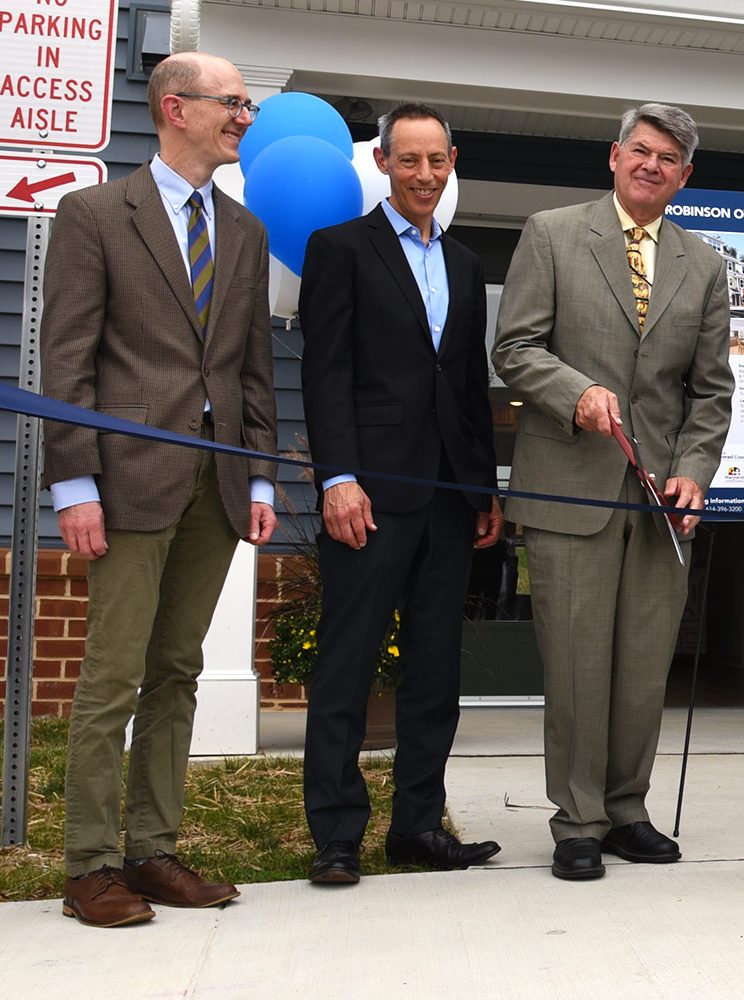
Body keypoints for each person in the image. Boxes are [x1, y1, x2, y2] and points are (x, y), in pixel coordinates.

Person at [42, 52, 278, 926]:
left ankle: (152, 851)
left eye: (248, 104)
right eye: (232, 103)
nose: (244, 117)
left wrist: (258, 471)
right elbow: (66, 362)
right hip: (125, 483)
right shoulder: (97, 213)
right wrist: (75, 485)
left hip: (215, 485)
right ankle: (88, 866)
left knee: (176, 670)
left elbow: (254, 366)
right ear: (176, 108)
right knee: (111, 678)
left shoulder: (244, 233)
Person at [491, 103, 735, 881]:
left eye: (668, 158)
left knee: (640, 668)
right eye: (641, 150)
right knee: (575, 666)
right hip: (570, 488)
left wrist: (694, 467)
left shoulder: (704, 263)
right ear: (614, 155)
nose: (651, 165)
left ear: (684, 177)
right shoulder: (552, 234)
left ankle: (628, 810)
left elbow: (711, 392)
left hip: (662, 500)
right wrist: (574, 393)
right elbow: (516, 346)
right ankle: (577, 821)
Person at [299, 102, 505, 884]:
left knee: (434, 672)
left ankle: (417, 826)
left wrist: (484, 488)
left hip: (449, 500)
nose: (424, 175)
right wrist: (338, 478)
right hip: (369, 497)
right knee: (346, 668)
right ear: (382, 163)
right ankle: (337, 836)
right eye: (409, 160)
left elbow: (464, 386)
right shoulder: (340, 250)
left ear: (453, 163)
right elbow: (326, 375)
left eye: (438, 161)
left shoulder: (464, 263)